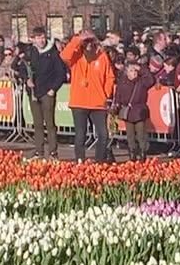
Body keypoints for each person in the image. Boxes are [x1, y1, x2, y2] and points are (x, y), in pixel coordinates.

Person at [62, 29, 116, 163]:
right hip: (79, 102)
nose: (88, 44)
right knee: (80, 134)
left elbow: (110, 77)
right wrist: (78, 38)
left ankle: (100, 161)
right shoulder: (76, 56)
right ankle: (80, 159)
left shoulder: (102, 56)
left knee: (103, 134)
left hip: (98, 102)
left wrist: (106, 94)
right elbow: (64, 56)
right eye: (86, 42)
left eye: (91, 41)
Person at [25, 27, 68, 159]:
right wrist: (26, 79)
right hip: (34, 92)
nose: (41, 40)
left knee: (50, 124)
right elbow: (21, 67)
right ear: (33, 39)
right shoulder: (30, 52)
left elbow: (61, 73)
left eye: (43, 37)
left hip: (47, 92)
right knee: (37, 124)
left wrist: (53, 89)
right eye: (38, 38)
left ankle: (53, 152)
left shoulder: (52, 53)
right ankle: (39, 151)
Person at [114, 51, 154, 159]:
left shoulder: (141, 82)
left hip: (139, 110)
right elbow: (118, 95)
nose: (134, 72)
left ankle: (142, 152)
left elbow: (151, 80)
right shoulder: (122, 82)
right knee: (130, 134)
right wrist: (116, 105)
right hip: (128, 110)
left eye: (135, 70)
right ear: (127, 72)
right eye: (131, 70)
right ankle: (132, 152)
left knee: (141, 133)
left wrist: (141, 68)